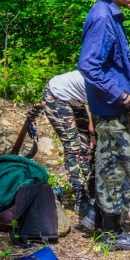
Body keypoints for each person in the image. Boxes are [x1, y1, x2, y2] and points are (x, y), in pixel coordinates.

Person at [78, 0, 130, 251]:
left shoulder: (111, 14)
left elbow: (113, 65)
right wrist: (120, 94)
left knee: (120, 163)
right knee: (113, 167)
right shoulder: (103, 17)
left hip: (115, 106)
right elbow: (89, 65)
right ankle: (111, 233)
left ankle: (102, 221)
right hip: (109, 109)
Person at [40, 70, 95, 228]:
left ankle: (92, 188)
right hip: (56, 95)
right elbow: (93, 125)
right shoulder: (102, 83)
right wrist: (93, 136)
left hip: (75, 99)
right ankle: (79, 195)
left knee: (86, 143)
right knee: (73, 145)